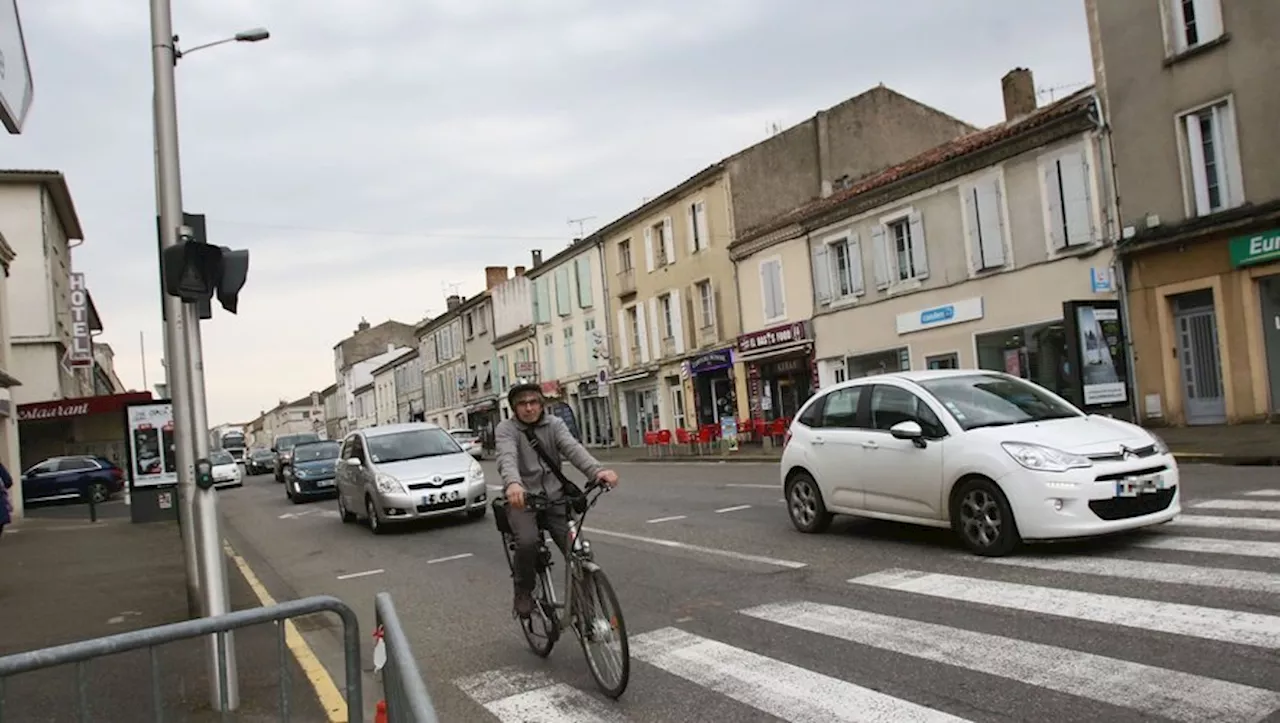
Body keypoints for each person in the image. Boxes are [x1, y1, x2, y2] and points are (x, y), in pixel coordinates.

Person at [496, 381, 618, 618]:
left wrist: (597, 471)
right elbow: (507, 457)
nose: (528, 408)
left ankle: (586, 613)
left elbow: (573, 449)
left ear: (541, 404)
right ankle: (523, 590)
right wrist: (513, 484)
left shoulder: (555, 425)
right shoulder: (506, 429)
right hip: (524, 499)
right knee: (528, 542)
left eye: (533, 402)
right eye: (522, 404)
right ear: (514, 408)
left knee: (579, 553)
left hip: (555, 498)